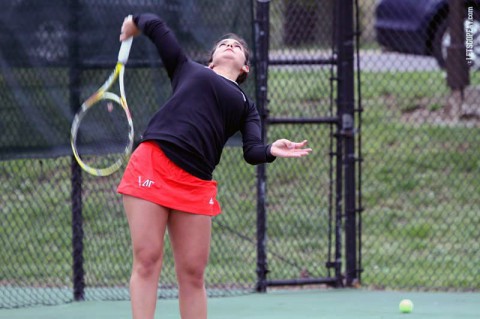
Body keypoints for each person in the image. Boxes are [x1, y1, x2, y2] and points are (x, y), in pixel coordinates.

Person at [117, 13, 312, 319]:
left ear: (245, 67)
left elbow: (252, 151)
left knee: (193, 274)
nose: (230, 45)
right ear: (211, 61)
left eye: (237, 46)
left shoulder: (246, 106)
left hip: (195, 183)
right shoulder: (185, 69)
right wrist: (132, 22)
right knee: (147, 259)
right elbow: (156, 25)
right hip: (153, 164)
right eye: (224, 44)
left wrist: (271, 149)